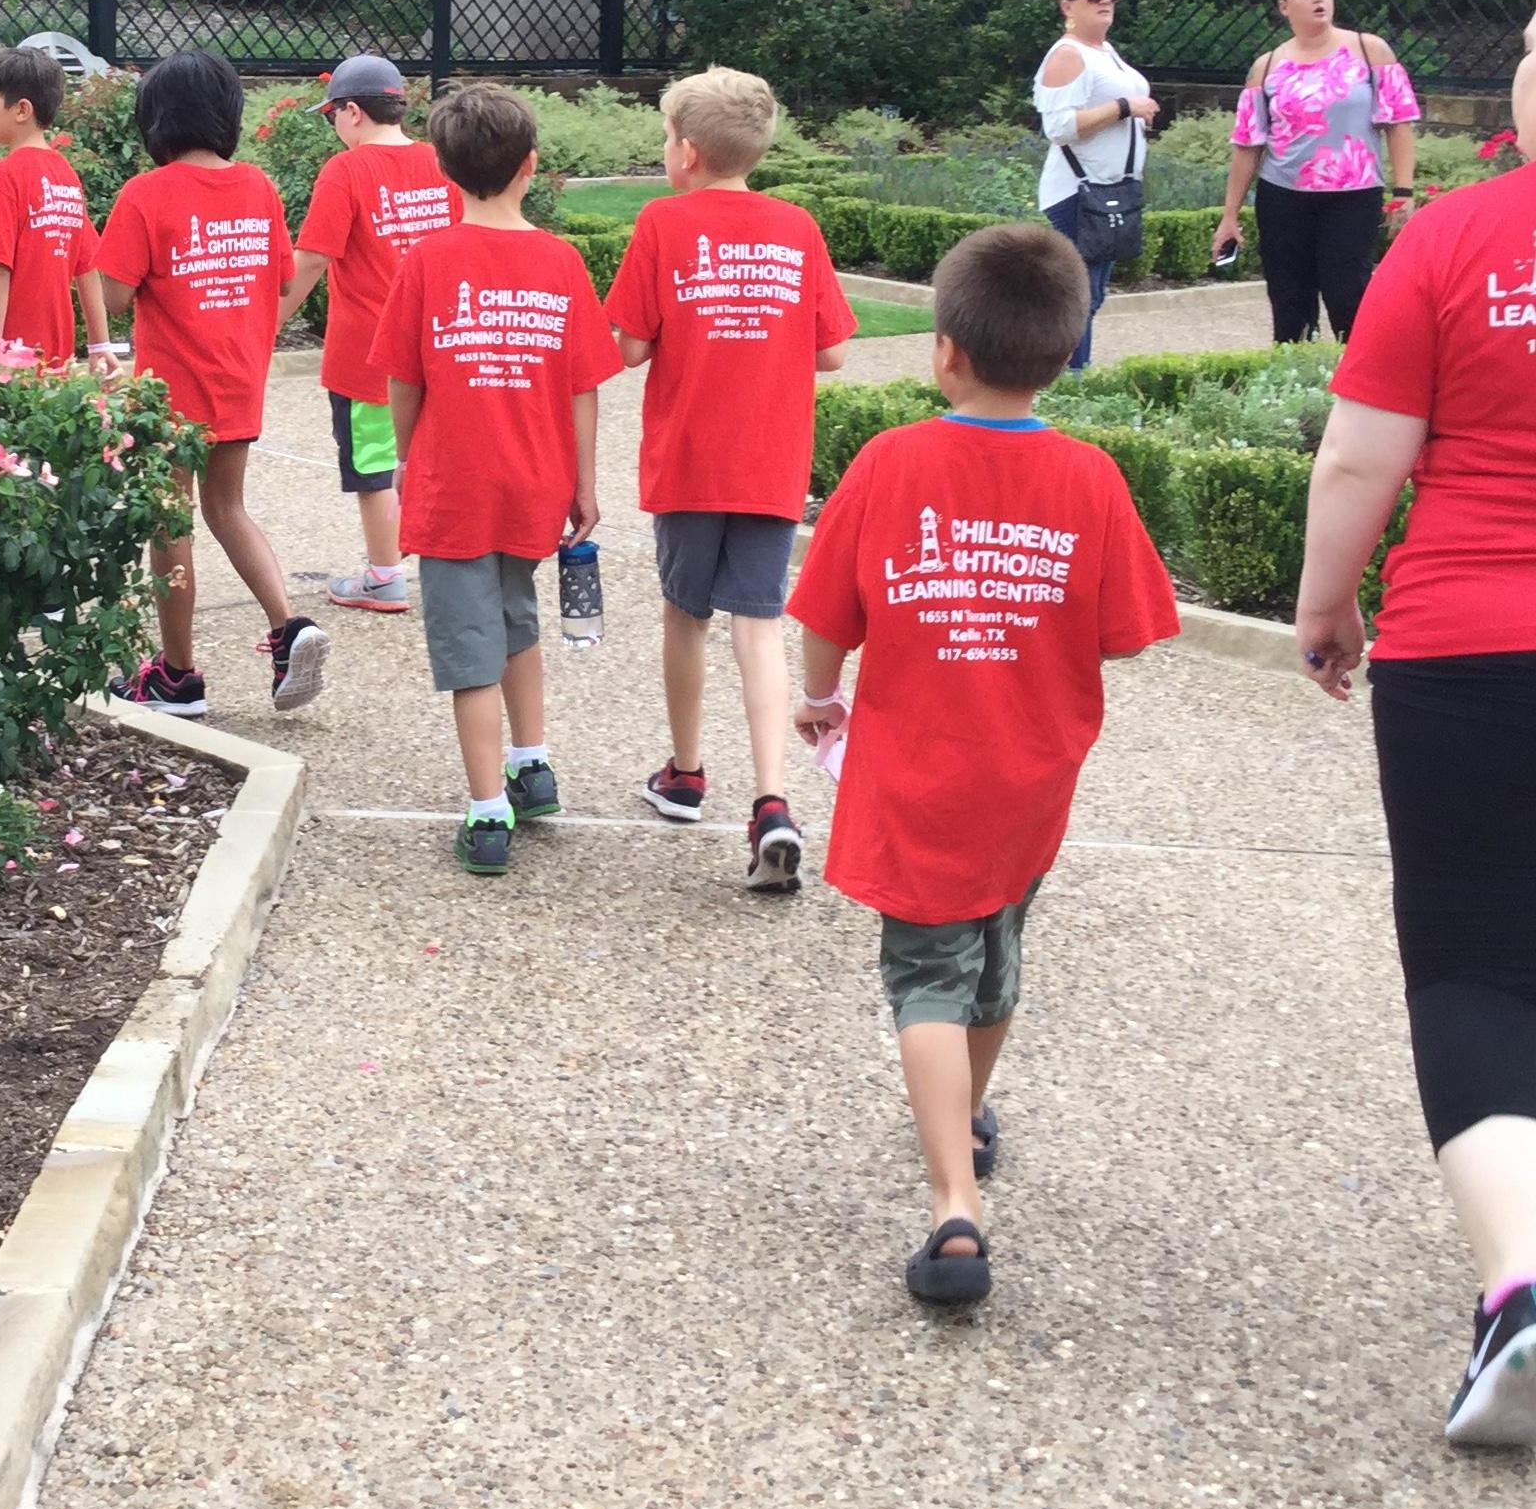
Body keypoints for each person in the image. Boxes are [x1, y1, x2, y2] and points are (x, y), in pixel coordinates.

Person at [788, 224, 1178, 1305]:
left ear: (943, 350)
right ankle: (965, 1111)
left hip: (916, 770)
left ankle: (955, 1207)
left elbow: (827, 615)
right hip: (1030, 772)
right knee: (997, 953)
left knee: (923, 977)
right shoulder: (1092, 479)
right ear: (1066, 344)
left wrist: (820, 703)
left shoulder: (890, 462)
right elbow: (1124, 629)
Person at [1295, 6, 1536, 1445]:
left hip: (1469, 643)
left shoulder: (1449, 243)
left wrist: (1327, 607)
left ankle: (1519, 1286)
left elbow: (1358, 456)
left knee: (1471, 965)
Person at [605, 65, 855, 888]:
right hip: (769, 458)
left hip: (688, 457)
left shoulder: (662, 225)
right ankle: (773, 801)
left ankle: (684, 773)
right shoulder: (797, 227)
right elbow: (831, 351)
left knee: (685, 615)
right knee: (759, 626)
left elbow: (631, 345)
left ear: (683, 150)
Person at [375, 83, 622, 878]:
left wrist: (409, 459)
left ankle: (487, 813)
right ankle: (533, 763)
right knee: (517, 621)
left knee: (468, 649)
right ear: (532, 167)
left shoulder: (428, 260)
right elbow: (584, 384)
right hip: (537, 481)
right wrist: (584, 483)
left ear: (446, 171)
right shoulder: (560, 261)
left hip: (457, 486)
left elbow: (402, 383)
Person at [96, 50, 327, 717]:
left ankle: (177, 676)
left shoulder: (147, 193)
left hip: (170, 393)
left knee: (171, 523)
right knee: (230, 509)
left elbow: (113, 296)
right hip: (238, 380)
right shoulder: (258, 188)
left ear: (156, 119)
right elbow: (282, 278)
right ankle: (289, 627)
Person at [277, 54, 458, 615]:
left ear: (352, 111)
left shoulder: (346, 171)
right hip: (438, 343)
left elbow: (309, 260)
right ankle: (448, 561)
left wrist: (265, 326)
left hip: (369, 354)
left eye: (332, 113)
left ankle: (385, 576)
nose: (333, 124)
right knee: (432, 454)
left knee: (375, 464)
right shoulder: (440, 161)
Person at [1214, 0, 1421, 343]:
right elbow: (1248, 145)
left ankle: (1357, 387)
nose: (1318, 0)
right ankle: (1295, 389)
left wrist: (1403, 192)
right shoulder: (1268, 67)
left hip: (1353, 195)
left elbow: (1400, 122)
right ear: (1283, 6)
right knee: (1289, 302)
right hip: (1284, 196)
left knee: (1348, 295)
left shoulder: (1369, 50)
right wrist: (1230, 215)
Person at [1034, 0, 1159, 371]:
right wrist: (1125, 107)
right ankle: (1068, 379)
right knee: (1079, 296)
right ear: (1068, 5)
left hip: (1110, 191)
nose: (1106, 0)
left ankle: (1066, 376)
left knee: (1092, 295)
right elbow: (1058, 127)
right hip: (1078, 193)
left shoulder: (1104, 51)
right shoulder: (1068, 55)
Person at [0, 46, 115, 373]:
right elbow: (87, 267)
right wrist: (100, 345)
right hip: (56, 354)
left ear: (21, 110)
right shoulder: (66, 176)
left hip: (9, 361)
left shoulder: (3, 177)